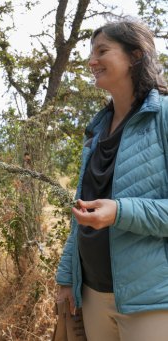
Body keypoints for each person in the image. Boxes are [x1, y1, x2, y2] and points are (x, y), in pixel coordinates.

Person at [56, 19, 168, 341]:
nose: (92, 61)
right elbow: (80, 216)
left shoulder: (163, 116)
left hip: (151, 301)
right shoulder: (95, 132)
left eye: (102, 50)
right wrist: (67, 278)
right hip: (92, 296)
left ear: (135, 56)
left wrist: (119, 212)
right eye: (91, 53)